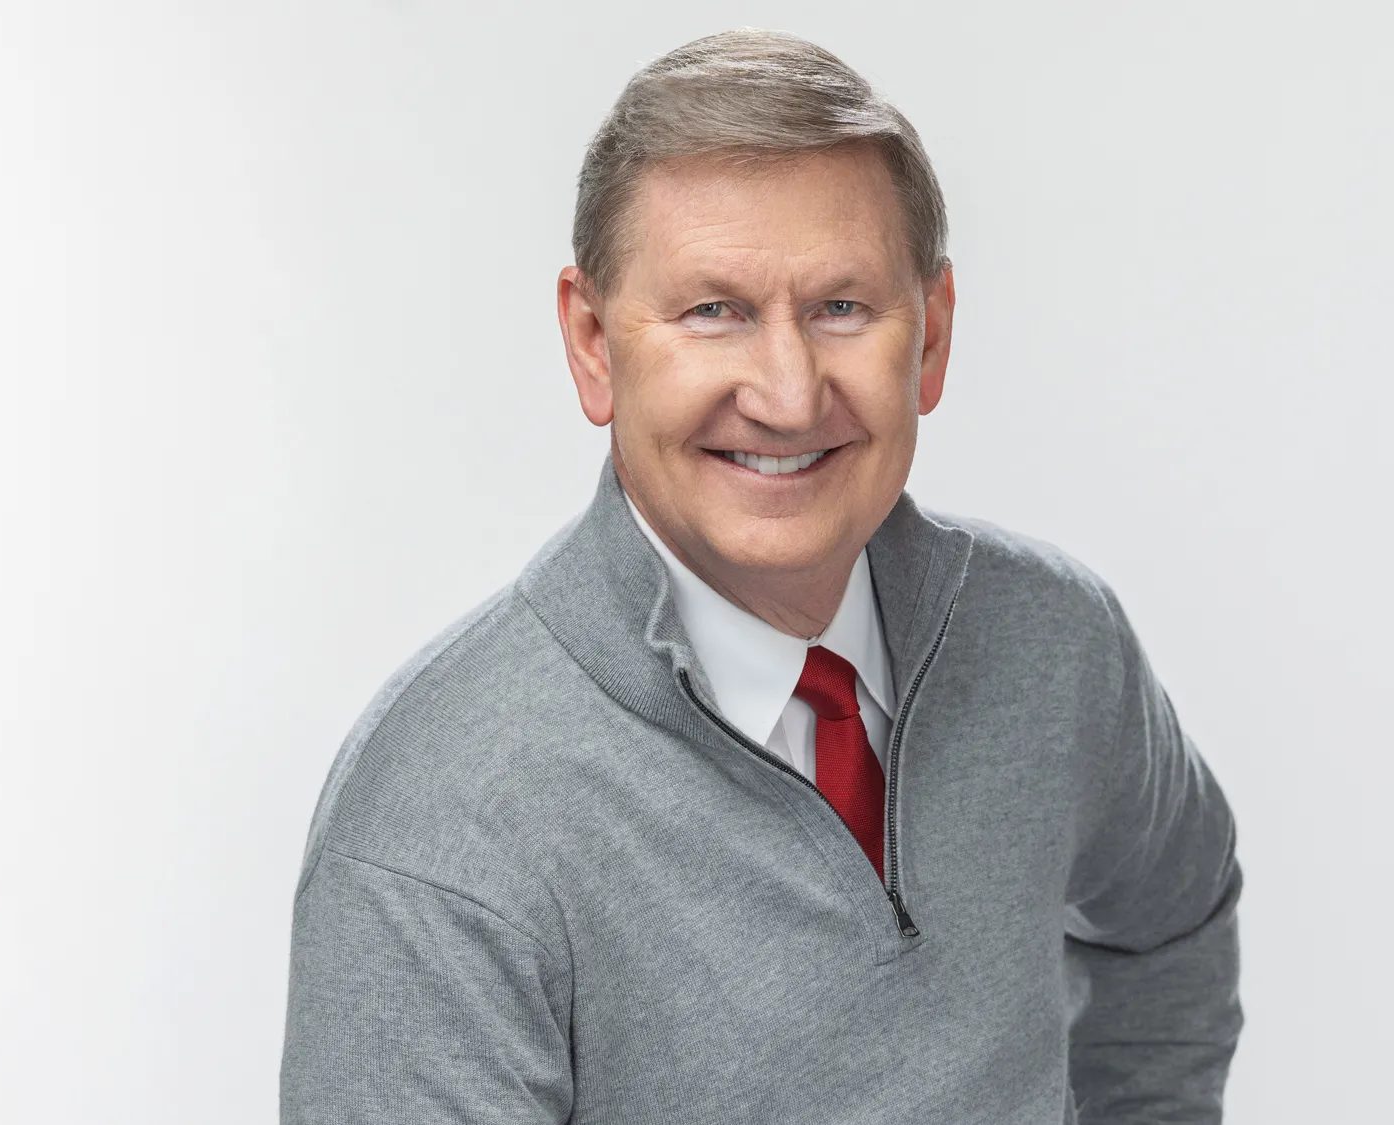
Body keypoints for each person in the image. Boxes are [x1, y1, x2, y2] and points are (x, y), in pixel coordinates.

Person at [279, 28, 1240, 1125]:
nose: (786, 395)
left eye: (840, 308)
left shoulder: (1054, 644)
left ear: (928, 340)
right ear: (592, 343)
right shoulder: (437, 826)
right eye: (712, 311)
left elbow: (1171, 919)